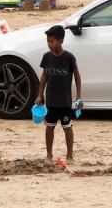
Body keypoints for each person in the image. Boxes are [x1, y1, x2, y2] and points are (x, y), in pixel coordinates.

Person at [35, 25, 82, 164]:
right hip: (51, 101)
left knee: (67, 127)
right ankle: (49, 155)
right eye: (48, 41)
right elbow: (44, 77)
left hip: (65, 101)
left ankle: (69, 156)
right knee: (50, 127)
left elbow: (77, 76)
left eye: (52, 41)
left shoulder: (69, 57)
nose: (49, 44)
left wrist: (79, 96)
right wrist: (39, 95)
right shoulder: (47, 57)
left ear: (61, 41)